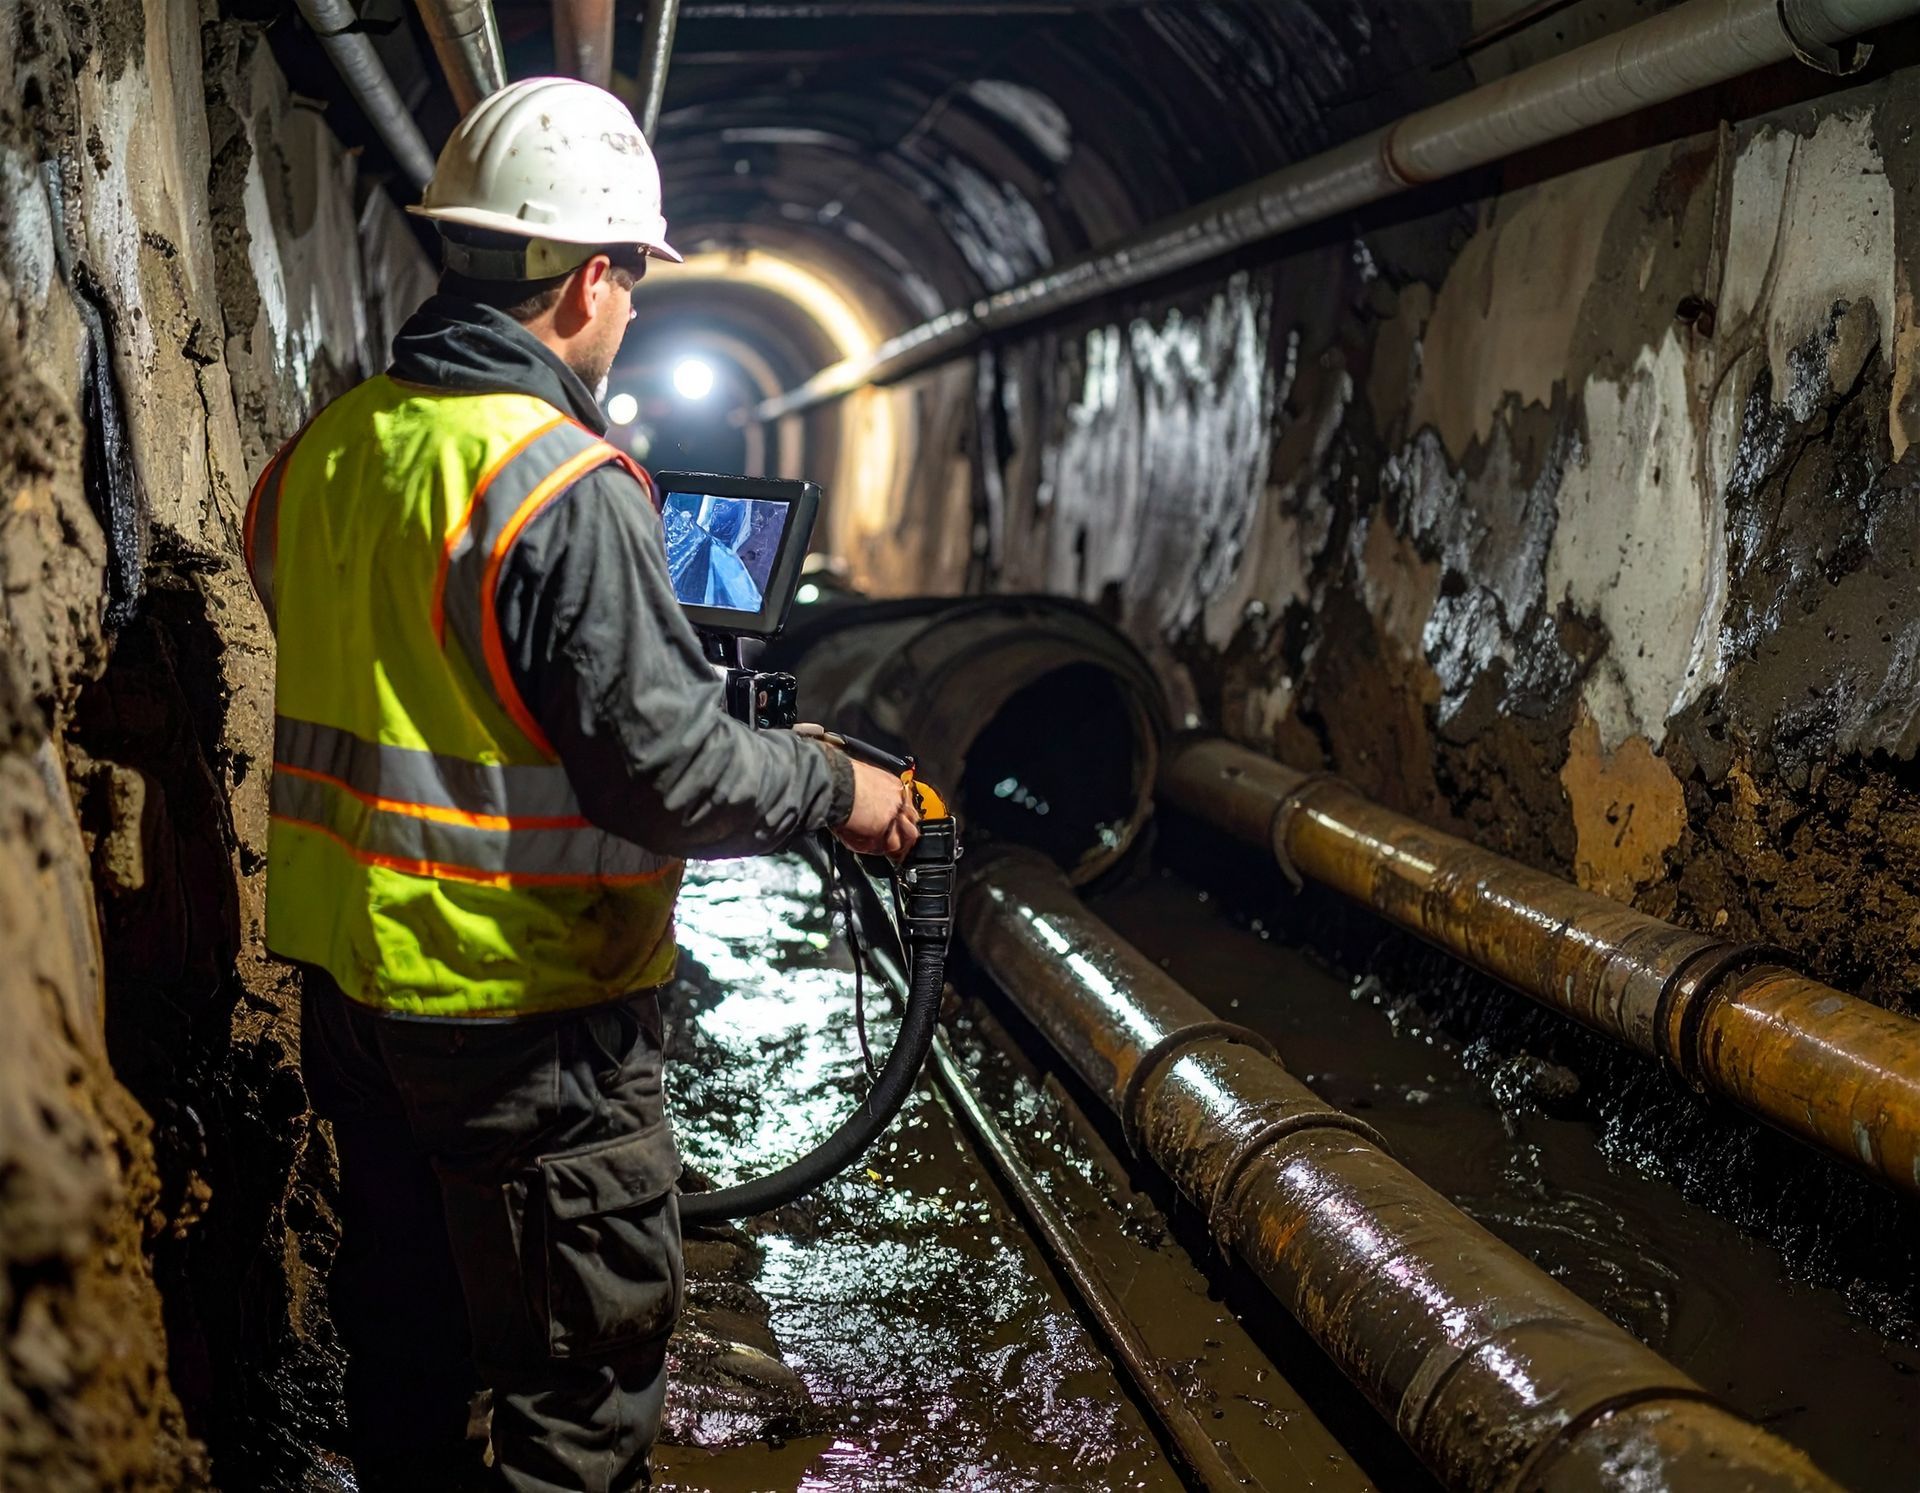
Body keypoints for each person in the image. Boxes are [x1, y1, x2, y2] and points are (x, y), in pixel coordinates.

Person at [240, 77, 918, 1493]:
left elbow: (363, 644)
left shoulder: (332, 447)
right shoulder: (563, 481)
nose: (630, 316)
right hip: (525, 1017)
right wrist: (835, 787)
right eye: (634, 287)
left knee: (408, 1348)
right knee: (578, 1383)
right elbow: (667, 769)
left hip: (358, 995)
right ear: (592, 276)